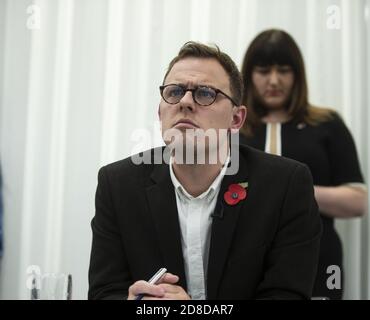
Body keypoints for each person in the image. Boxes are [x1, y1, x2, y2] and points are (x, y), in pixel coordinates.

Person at [88, 41, 322, 300]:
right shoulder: (117, 185)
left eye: (205, 93)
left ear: (236, 119)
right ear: (160, 111)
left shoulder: (285, 185)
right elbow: (104, 292)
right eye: (175, 92)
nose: (185, 102)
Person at [240, 29, 367, 300]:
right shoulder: (233, 130)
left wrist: (291, 191)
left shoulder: (326, 124)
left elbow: (357, 201)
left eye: (284, 70)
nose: (274, 80)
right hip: (245, 263)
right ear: (249, 75)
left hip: (318, 262)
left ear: (297, 75)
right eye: (263, 71)